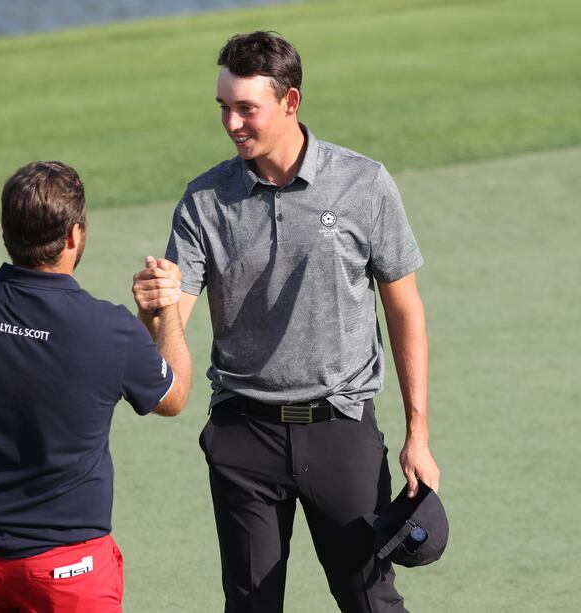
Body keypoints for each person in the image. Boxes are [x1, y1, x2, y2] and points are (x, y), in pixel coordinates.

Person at [132, 31, 440, 612]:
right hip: (244, 435)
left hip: (341, 429)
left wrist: (417, 435)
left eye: (246, 108)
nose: (231, 123)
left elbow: (405, 309)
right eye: (223, 106)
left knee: (370, 600)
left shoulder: (363, 184)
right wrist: (155, 310)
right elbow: (176, 324)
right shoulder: (204, 202)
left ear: (290, 102)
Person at [0, 160, 191, 613]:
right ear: (73, 236)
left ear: (6, 229)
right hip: (71, 575)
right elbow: (172, 396)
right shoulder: (109, 329)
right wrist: (165, 311)